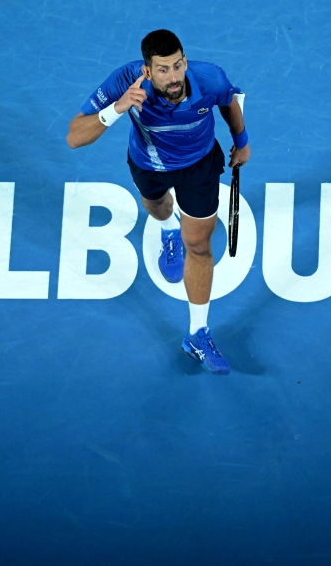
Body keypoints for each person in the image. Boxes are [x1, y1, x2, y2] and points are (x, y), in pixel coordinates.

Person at [67, 30, 249, 375]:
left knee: (199, 245)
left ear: (185, 60)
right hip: (150, 166)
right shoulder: (125, 81)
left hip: (199, 166)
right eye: (163, 70)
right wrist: (118, 108)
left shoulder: (210, 77)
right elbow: (74, 136)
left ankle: (197, 334)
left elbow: (228, 101)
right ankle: (167, 228)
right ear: (147, 71)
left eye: (178, 65)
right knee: (157, 208)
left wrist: (242, 141)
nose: (174, 76)